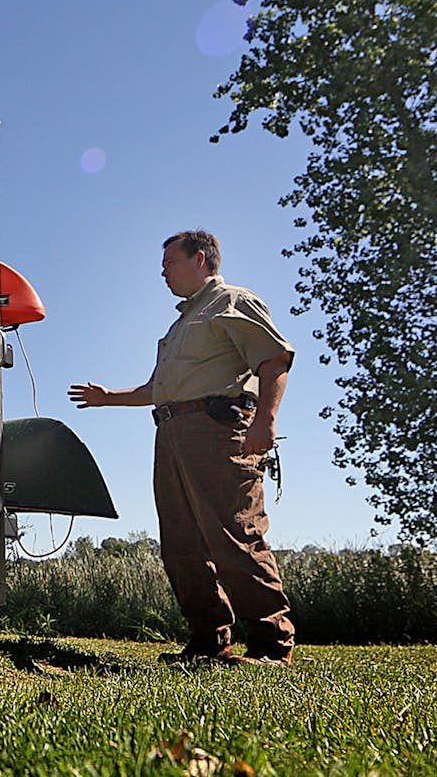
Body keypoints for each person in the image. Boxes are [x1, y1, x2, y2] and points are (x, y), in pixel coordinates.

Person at [68, 229, 296, 667]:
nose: (163, 272)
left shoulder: (232, 301)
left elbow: (274, 359)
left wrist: (265, 421)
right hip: (172, 432)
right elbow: (159, 389)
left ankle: (271, 644)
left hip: (217, 429)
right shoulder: (181, 323)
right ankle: (209, 640)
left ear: (200, 259)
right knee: (180, 542)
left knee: (233, 532)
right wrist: (107, 397)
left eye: (170, 262)